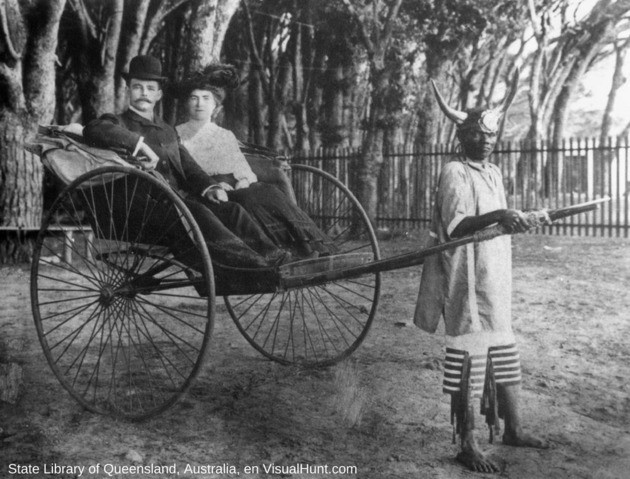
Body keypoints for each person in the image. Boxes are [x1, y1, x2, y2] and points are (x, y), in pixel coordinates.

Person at [414, 71, 548, 473]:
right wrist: (502, 214)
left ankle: (513, 428)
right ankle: (468, 441)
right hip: (464, 274)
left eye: (491, 135)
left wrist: (521, 218)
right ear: (462, 136)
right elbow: (457, 227)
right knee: (469, 356)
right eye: (477, 134)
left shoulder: (492, 172)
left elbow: (500, 223)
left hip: (494, 271)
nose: (486, 140)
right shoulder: (454, 171)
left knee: (504, 347)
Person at [82, 55, 287, 270]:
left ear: (159, 94)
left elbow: (188, 167)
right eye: (137, 87)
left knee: (230, 209)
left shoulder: (168, 130)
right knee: (198, 213)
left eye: (150, 88)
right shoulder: (118, 122)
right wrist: (138, 144)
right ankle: (250, 265)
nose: (144, 93)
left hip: (176, 203)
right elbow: (93, 129)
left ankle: (273, 255)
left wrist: (210, 186)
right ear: (127, 91)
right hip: (141, 211)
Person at [174, 64, 334, 258]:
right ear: (186, 103)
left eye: (206, 98)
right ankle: (280, 253)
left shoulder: (225, 135)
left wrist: (243, 182)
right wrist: (215, 186)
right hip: (206, 194)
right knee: (249, 199)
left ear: (215, 105)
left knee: (267, 191)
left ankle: (311, 247)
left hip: (235, 189)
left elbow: (243, 170)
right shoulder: (178, 135)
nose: (200, 104)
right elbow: (185, 172)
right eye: (194, 98)